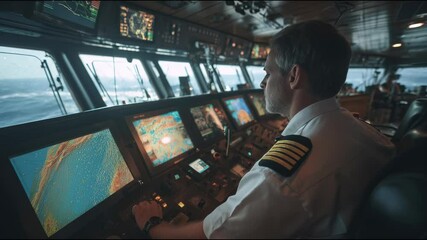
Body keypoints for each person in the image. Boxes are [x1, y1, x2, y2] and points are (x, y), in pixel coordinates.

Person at [132, 20, 395, 238]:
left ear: (293, 76)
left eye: (268, 72)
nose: (262, 82)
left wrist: (153, 225)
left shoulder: (280, 177)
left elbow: (215, 235)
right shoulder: (363, 131)